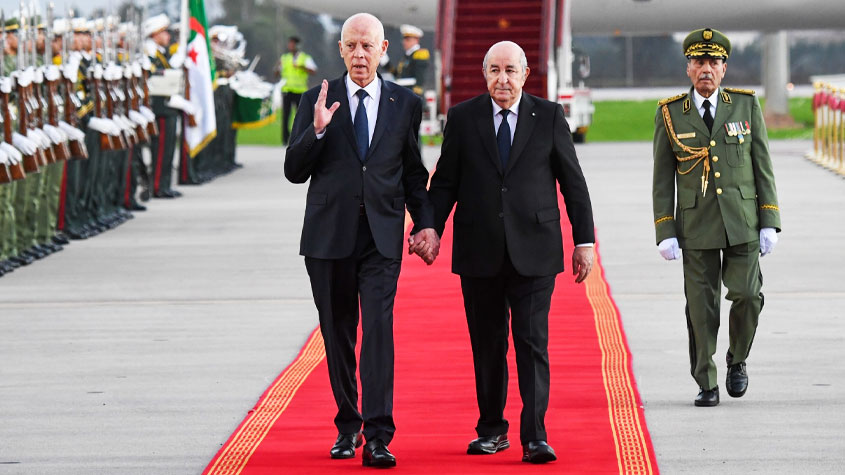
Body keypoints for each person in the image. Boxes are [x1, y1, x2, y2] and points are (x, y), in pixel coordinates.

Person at [410, 40, 595, 464]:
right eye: (494, 70)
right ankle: (492, 430)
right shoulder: (463, 118)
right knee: (488, 345)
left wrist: (583, 241)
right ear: (485, 74)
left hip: (536, 249)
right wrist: (430, 228)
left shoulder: (549, 116)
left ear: (525, 74)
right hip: (479, 251)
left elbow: (573, 183)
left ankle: (536, 436)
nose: (503, 79)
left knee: (532, 343)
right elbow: (445, 183)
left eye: (511, 70)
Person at [284, 12, 436, 468]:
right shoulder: (316, 98)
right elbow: (294, 171)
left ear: (383, 49)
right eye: (351, 45)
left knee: (378, 332)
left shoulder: (405, 103)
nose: (359, 54)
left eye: (367, 46)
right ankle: (347, 425)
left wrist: (425, 223)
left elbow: (412, 172)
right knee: (337, 334)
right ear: (341, 49)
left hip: (381, 239)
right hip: (328, 239)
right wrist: (317, 131)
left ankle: (378, 435)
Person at [652, 28, 781, 407]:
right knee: (701, 308)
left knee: (748, 296)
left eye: (713, 62)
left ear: (724, 68)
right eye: (698, 62)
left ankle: (736, 359)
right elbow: (662, 178)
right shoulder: (670, 114)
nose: (706, 69)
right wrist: (665, 229)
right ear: (688, 68)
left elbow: (763, 167)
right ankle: (706, 381)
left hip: (743, 221)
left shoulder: (745, 106)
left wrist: (770, 219)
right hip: (696, 226)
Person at [278, 36, 316, 145]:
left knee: (301, 116)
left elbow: (313, 71)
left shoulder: (305, 58)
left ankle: (300, 137)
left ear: (297, 45)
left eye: (292, 44)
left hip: (300, 91)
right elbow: (277, 72)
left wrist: (301, 67)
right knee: (286, 116)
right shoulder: (284, 58)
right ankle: (285, 139)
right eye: (289, 43)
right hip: (287, 90)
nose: (290, 46)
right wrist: (277, 67)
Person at [390, 24, 429, 97]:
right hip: (404, 93)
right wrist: (387, 64)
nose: (404, 42)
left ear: (416, 40)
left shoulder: (419, 54)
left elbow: (419, 78)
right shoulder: (407, 56)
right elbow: (398, 75)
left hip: (412, 94)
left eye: (408, 40)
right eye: (404, 40)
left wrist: (416, 96)